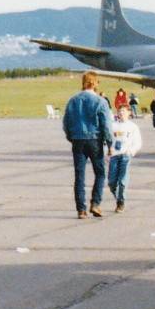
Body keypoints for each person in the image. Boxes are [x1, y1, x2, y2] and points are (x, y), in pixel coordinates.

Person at [62, 72, 113, 219]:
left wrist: (70, 137)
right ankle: (95, 203)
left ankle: (81, 209)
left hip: (78, 140)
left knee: (79, 175)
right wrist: (110, 143)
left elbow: (66, 122)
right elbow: (106, 125)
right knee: (100, 173)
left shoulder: (73, 100)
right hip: (94, 139)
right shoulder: (100, 101)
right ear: (96, 83)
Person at [106, 103, 143, 213]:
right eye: (119, 111)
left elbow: (138, 142)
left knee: (122, 181)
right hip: (114, 156)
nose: (121, 113)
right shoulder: (112, 126)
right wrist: (108, 150)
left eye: (123, 111)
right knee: (112, 182)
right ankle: (118, 198)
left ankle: (121, 202)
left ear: (128, 113)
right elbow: (106, 140)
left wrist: (131, 151)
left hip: (125, 156)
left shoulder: (132, 127)